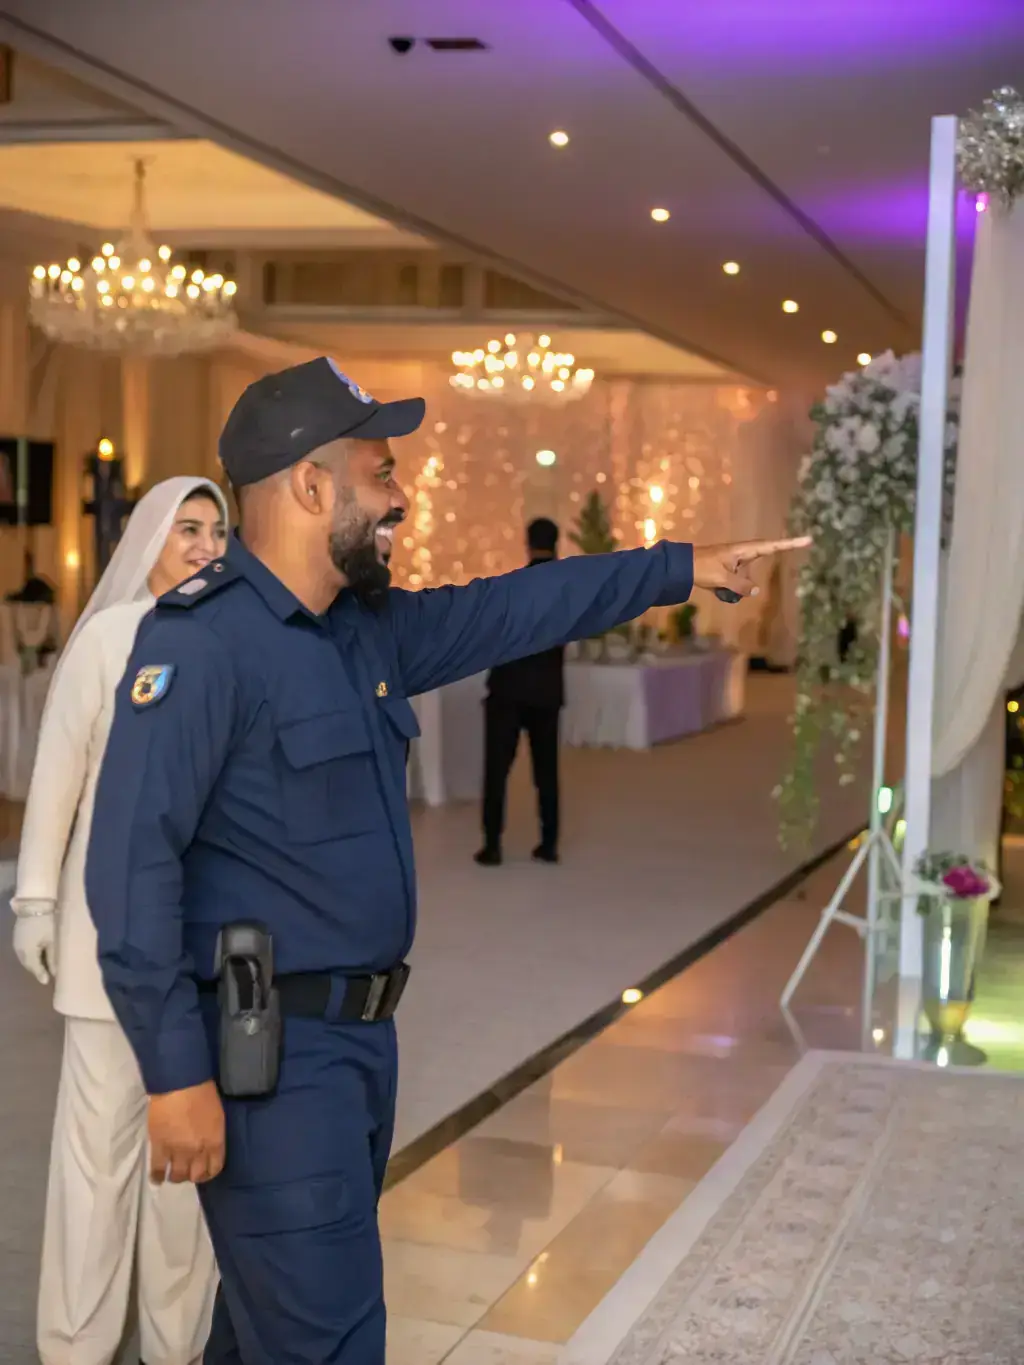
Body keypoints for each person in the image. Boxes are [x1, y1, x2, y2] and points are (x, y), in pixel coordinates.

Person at [84, 356, 810, 1365]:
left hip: (358, 1050)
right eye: (381, 474)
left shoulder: (363, 632)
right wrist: (173, 1076)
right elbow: (129, 868)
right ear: (309, 486)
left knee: (260, 1340)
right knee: (325, 1342)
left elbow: (520, 607)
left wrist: (676, 567)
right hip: (268, 1062)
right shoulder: (204, 645)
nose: (401, 498)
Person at [12, 478, 227, 1365]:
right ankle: (76, 1347)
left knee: (187, 1181)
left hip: (200, 947)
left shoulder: (228, 641)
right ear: (148, 538)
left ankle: (176, 1345)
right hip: (106, 950)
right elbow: (56, 779)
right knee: (97, 1171)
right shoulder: (107, 638)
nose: (206, 546)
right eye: (188, 529)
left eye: (218, 531)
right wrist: (34, 900)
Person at [476, 516, 564, 866]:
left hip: (509, 690)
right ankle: (549, 842)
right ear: (557, 543)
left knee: (497, 770)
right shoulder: (565, 590)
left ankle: (492, 845)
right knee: (547, 773)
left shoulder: (513, 585)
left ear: (527, 543)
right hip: (547, 692)